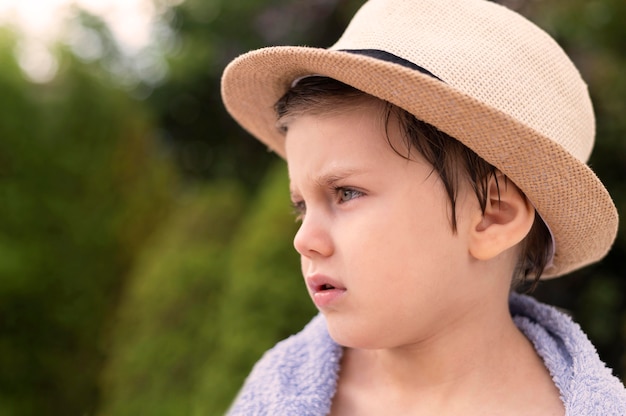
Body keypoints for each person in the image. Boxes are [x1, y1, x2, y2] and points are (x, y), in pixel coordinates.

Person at [220, 0, 626, 414]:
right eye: (301, 206)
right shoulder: (276, 394)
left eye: (346, 193)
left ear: (492, 217)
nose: (304, 239)